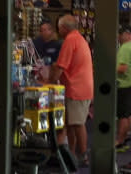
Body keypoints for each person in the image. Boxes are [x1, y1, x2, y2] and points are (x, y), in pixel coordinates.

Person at [45, 15, 93, 167]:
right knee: (71, 124)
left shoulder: (70, 40)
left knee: (78, 123)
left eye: (58, 28)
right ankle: (70, 154)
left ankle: (83, 156)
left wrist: (48, 83)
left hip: (76, 89)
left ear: (64, 28)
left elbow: (61, 67)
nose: (58, 31)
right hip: (80, 88)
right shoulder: (78, 38)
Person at [116, 26, 131, 151]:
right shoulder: (130, 47)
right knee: (128, 114)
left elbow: (122, 68)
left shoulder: (125, 48)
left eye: (121, 34)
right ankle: (124, 140)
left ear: (128, 35)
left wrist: (107, 67)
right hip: (130, 84)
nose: (118, 37)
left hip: (124, 85)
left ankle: (120, 142)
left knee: (123, 115)